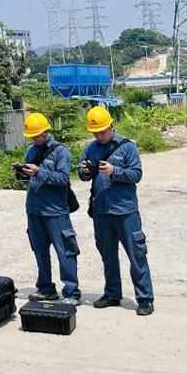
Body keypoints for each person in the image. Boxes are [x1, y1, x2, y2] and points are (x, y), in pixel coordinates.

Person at [77, 105, 155, 316]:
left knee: (136, 255)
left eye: (102, 131)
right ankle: (112, 293)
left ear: (111, 126)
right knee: (107, 255)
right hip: (101, 212)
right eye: (95, 133)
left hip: (125, 211)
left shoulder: (127, 147)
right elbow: (82, 174)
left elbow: (136, 174)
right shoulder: (90, 148)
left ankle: (145, 299)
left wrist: (114, 171)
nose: (99, 136)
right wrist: (84, 171)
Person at [19, 112, 80, 304]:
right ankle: (45, 288)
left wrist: (40, 172)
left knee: (65, 252)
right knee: (40, 251)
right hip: (34, 210)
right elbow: (28, 179)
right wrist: (21, 172)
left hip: (55, 212)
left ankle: (71, 292)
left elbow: (63, 179)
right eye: (32, 136)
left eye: (37, 135)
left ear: (46, 132)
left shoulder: (61, 152)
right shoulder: (31, 151)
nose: (35, 139)